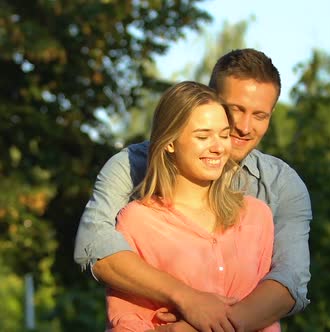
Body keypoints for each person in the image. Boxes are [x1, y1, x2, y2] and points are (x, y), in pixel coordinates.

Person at [74, 49, 312, 332]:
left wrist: (196, 326)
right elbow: (95, 248)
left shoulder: (277, 190)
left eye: (259, 115)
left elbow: (290, 280)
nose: (244, 127)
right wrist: (188, 300)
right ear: (211, 97)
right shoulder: (129, 169)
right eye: (235, 109)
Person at [106, 81, 279, 332]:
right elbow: (127, 324)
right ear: (170, 142)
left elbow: (267, 317)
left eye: (223, 134)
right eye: (203, 136)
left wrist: (187, 327)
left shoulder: (256, 216)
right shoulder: (137, 222)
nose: (218, 147)